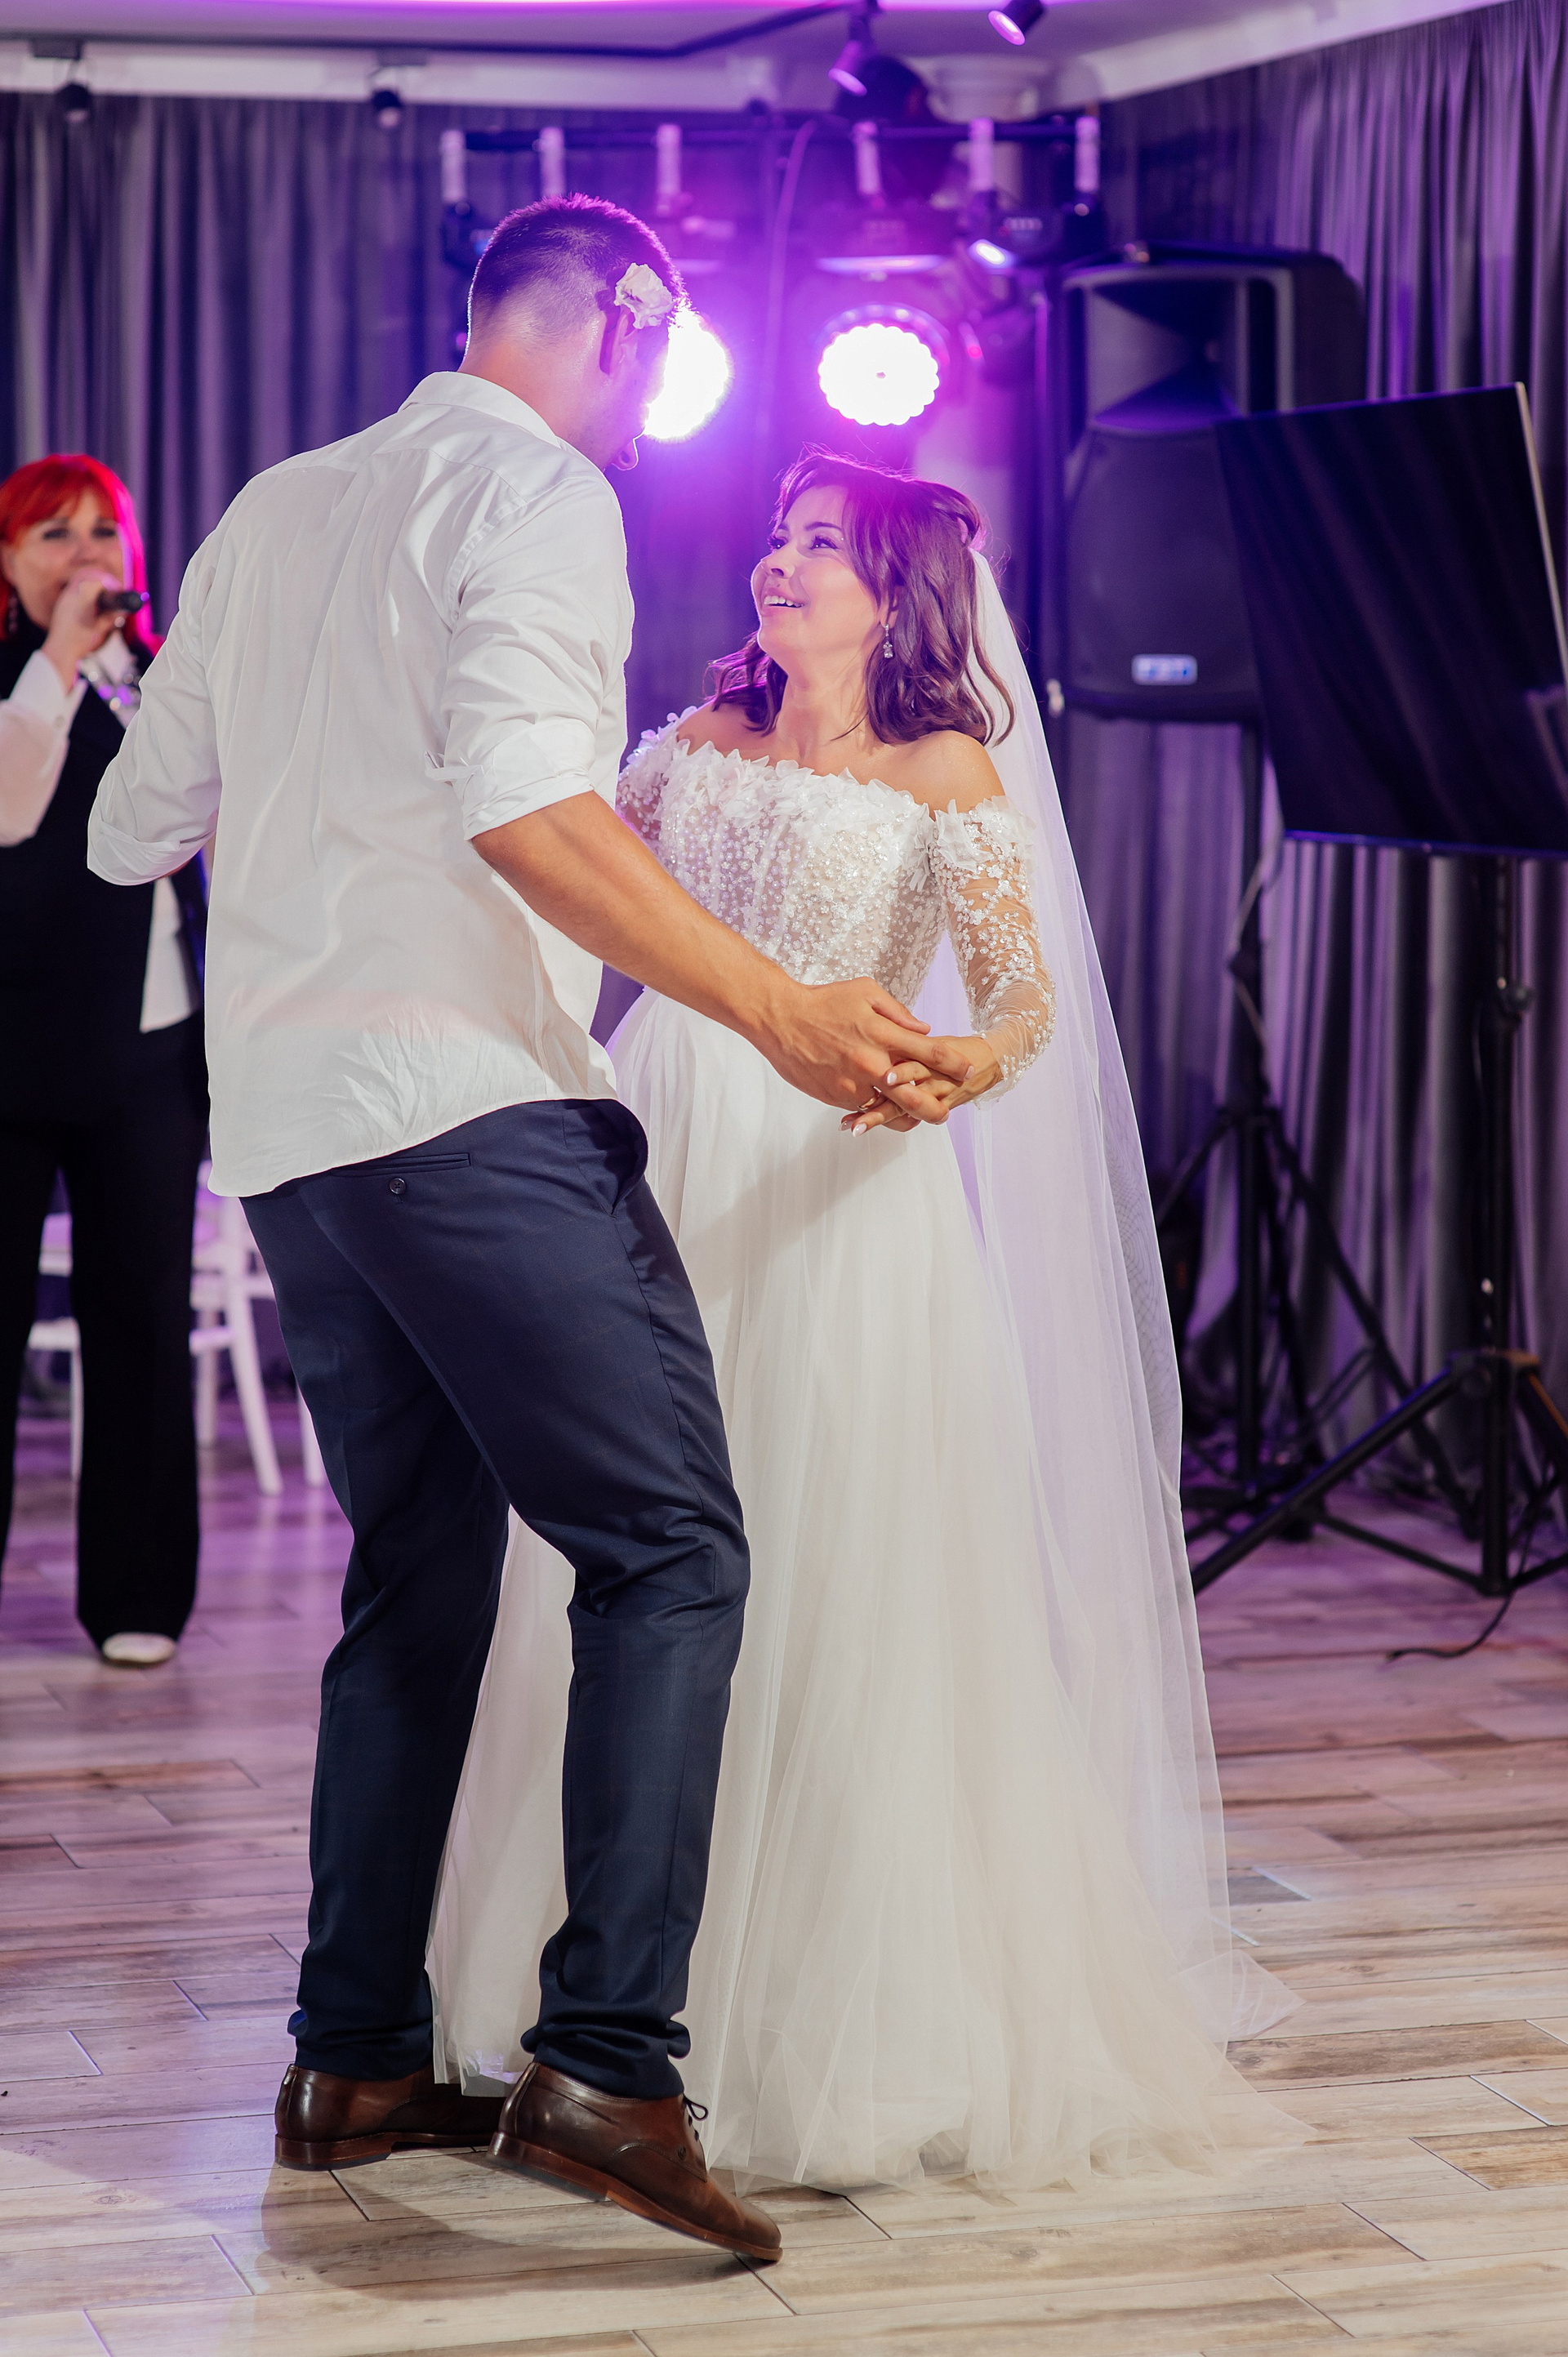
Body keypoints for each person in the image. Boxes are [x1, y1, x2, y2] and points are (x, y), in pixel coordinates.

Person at [87, 201, 976, 2261]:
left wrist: (318, 808)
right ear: (629, 316)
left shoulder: (276, 505)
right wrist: (784, 1011)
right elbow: (524, 808)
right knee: (672, 1550)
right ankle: (607, 2069)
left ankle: (354, 2062)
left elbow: (137, 829)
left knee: (418, 1575)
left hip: (291, 1134)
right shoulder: (543, 491)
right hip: (468, 1112)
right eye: (668, 355)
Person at [431, 454, 1298, 2193]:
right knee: (631, 1545)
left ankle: (818, 2019)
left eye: (819, 544)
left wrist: (958, 1062)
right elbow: (561, 883)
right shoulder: (692, 743)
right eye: (778, 537)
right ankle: (583, 1994)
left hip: (841, 1187)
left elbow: (1025, 1007)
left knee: (831, 1556)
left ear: (897, 591)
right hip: (664, 1146)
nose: (779, 562)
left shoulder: (942, 768)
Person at [0, 454, 207, 1669]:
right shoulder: (21, 680)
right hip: (13, 1046)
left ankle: (138, 1594)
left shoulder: (165, 679)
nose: (86, 554)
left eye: (104, 532)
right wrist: (58, 665)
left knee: (142, 1314)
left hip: (149, 1040)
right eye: (54, 534)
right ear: (8, 561)